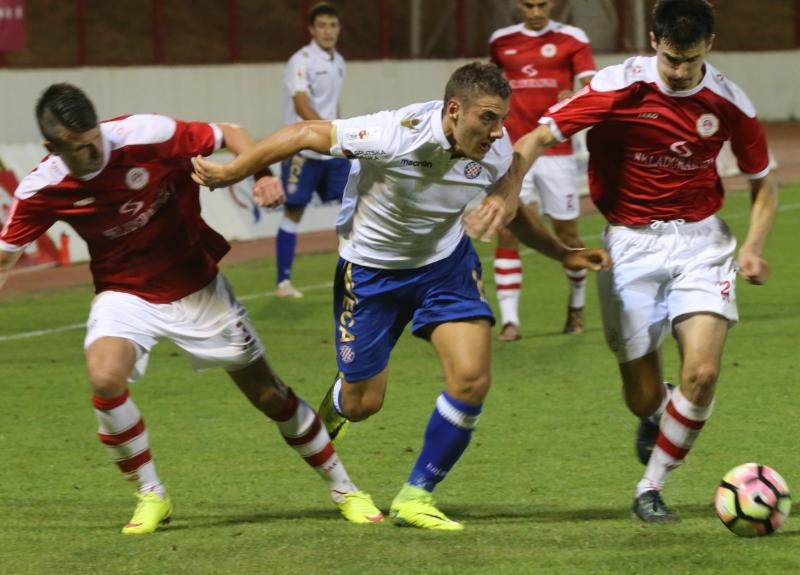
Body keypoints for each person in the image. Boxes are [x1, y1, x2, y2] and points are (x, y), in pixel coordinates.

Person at [193, 62, 611, 530]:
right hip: (372, 274)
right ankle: (340, 399)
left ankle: (416, 495)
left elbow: (510, 197)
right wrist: (235, 171)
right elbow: (305, 132)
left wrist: (563, 254)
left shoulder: (493, 149)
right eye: (488, 118)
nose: (498, 132)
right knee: (363, 404)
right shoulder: (395, 133)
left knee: (472, 378)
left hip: (445, 267)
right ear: (454, 111)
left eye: (502, 119)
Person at [0, 83, 383, 535]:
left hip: (195, 285)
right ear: (52, 148)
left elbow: (230, 132)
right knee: (104, 377)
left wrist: (260, 174)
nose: (93, 153)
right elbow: (6, 259)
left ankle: (345, 489)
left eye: (95, 140)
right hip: (124, 293)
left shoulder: (144, 134)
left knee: (270, 396)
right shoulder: (43, 187)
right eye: (79, 149)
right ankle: (151, 494)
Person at [505, 0, 779, 522]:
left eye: (691, 60)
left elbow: (764, 183)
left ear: (709, 46)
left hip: (702, 244)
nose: (679, 72)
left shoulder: (729, 102)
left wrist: (752, 247)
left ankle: (649, 487)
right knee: (641, 396)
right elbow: (538, 136)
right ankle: (661, 410)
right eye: (672, 59)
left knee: (703, 372)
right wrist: (508, 190)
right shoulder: (617, 86)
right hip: (629, 245)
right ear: (654, 42)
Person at [489, 0, 596, 341]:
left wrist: (574, 96)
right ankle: (510, 321)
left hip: (557, 150)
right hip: (514, 151)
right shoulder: (501, 41)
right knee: (508, 228)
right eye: (528, 5)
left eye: (542, 4)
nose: (536, 12)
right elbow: (490, 88)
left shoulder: (573, 38)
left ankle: (576, 306)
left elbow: (592, 86)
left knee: (567, 235)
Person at [275, 1, 350, 299]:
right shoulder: (300, 61)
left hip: (331, 147)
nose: (328, 31)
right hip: (303, 149)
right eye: (322, 26)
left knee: (355, 206)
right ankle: (283, 283)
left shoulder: (339, 61)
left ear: (339, 29)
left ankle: (357, 275)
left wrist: (340, 130)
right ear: (311, 30)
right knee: (293, 211)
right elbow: (301, 104)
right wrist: (329, 129)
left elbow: (334, 104)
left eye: (333, 25)